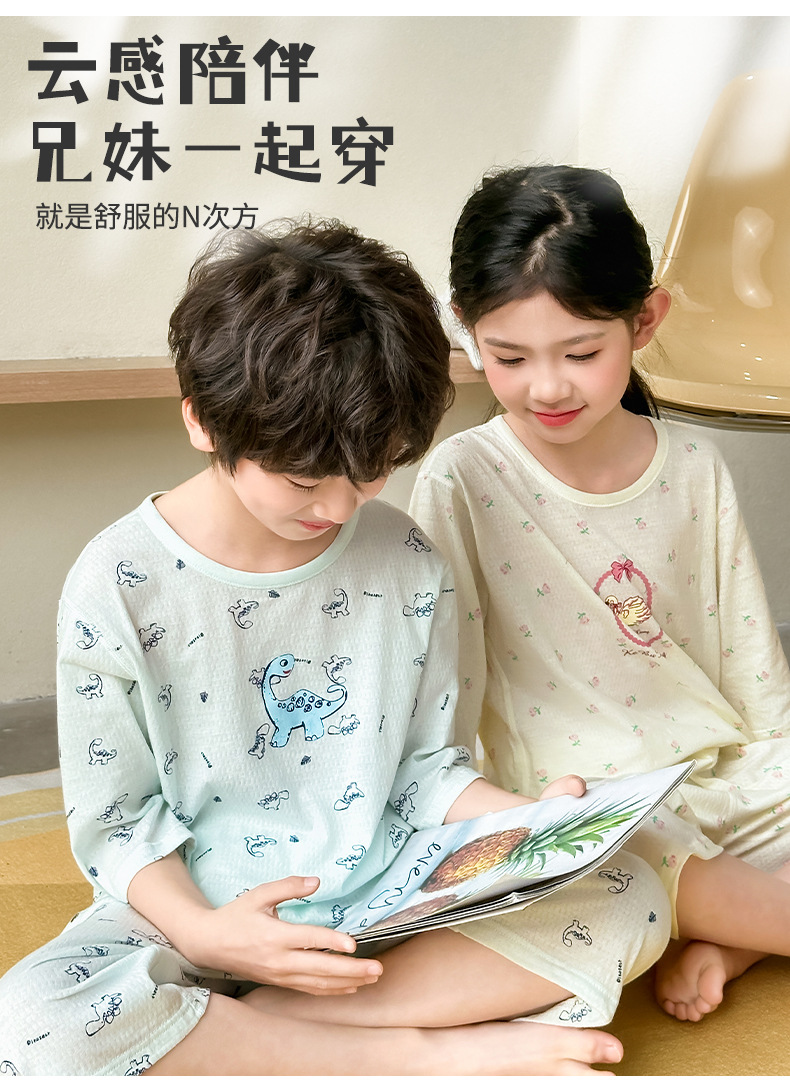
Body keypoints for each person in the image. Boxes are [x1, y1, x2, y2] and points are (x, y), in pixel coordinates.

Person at [0, 218, 669, 1077]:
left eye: (373, 471)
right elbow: (119, 823)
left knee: (630, 891)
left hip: (386, 903)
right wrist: (209, 935)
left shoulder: (407, 561)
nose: (341, 508)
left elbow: (424, 771)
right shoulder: (118, 582)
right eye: (304, 480)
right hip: (188, 920)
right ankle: (422, 1055)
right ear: (203, 421)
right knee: (32, 1028)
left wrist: (531, 821)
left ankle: (268, 1032)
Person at [409, 163, 790, 1026]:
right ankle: (742, 918)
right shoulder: (462, 477)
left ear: (644, 320)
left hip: (722, 769)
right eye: (509, 357)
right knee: (633, 856)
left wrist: (774, 763)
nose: (548, 386)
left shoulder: (693, 465)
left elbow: (751, 663)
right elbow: (444, 687)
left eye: (581, 353)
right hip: (588, 794)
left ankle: (733, 934)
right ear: (466, 328)